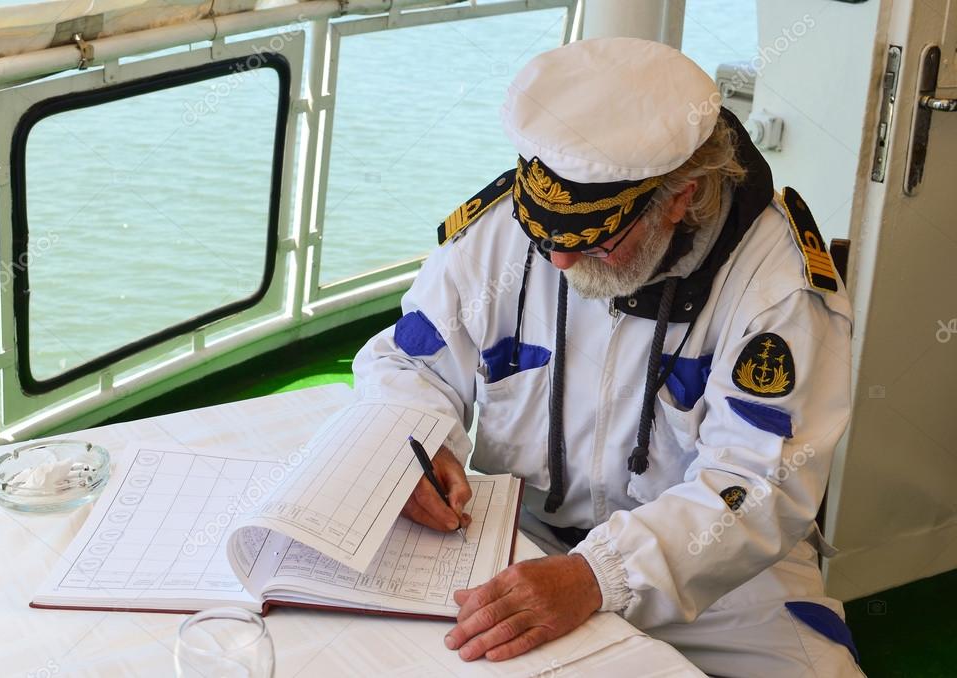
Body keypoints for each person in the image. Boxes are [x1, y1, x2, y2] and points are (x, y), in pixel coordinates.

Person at [352, 37, 862, 677]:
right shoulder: (501, 234)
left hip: (724, 577)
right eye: (545, 232)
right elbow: (409, 362)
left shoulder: (777, 288)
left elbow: (756, 484)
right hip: (517, 535)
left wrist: (599, 574)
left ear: (682, 195)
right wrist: (416, 448)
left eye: (595, 238)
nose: (559, 259)